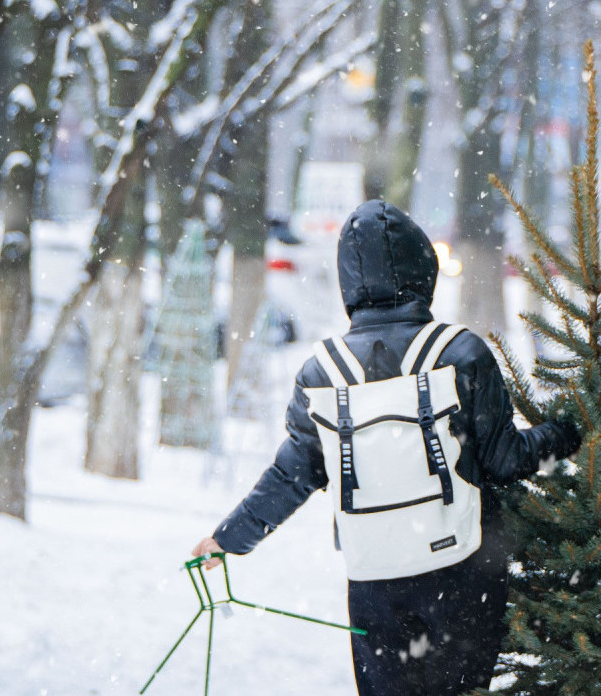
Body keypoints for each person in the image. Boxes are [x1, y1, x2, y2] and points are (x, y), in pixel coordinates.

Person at [190, 200, 581, 696]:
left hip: (374, 578)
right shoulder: (460, 353)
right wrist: (572, 430)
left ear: (348, 282)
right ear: (424, 269)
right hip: (462, 571)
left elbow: (293, 475)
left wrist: (229, 539)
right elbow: (507, 461)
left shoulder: (321, 374)